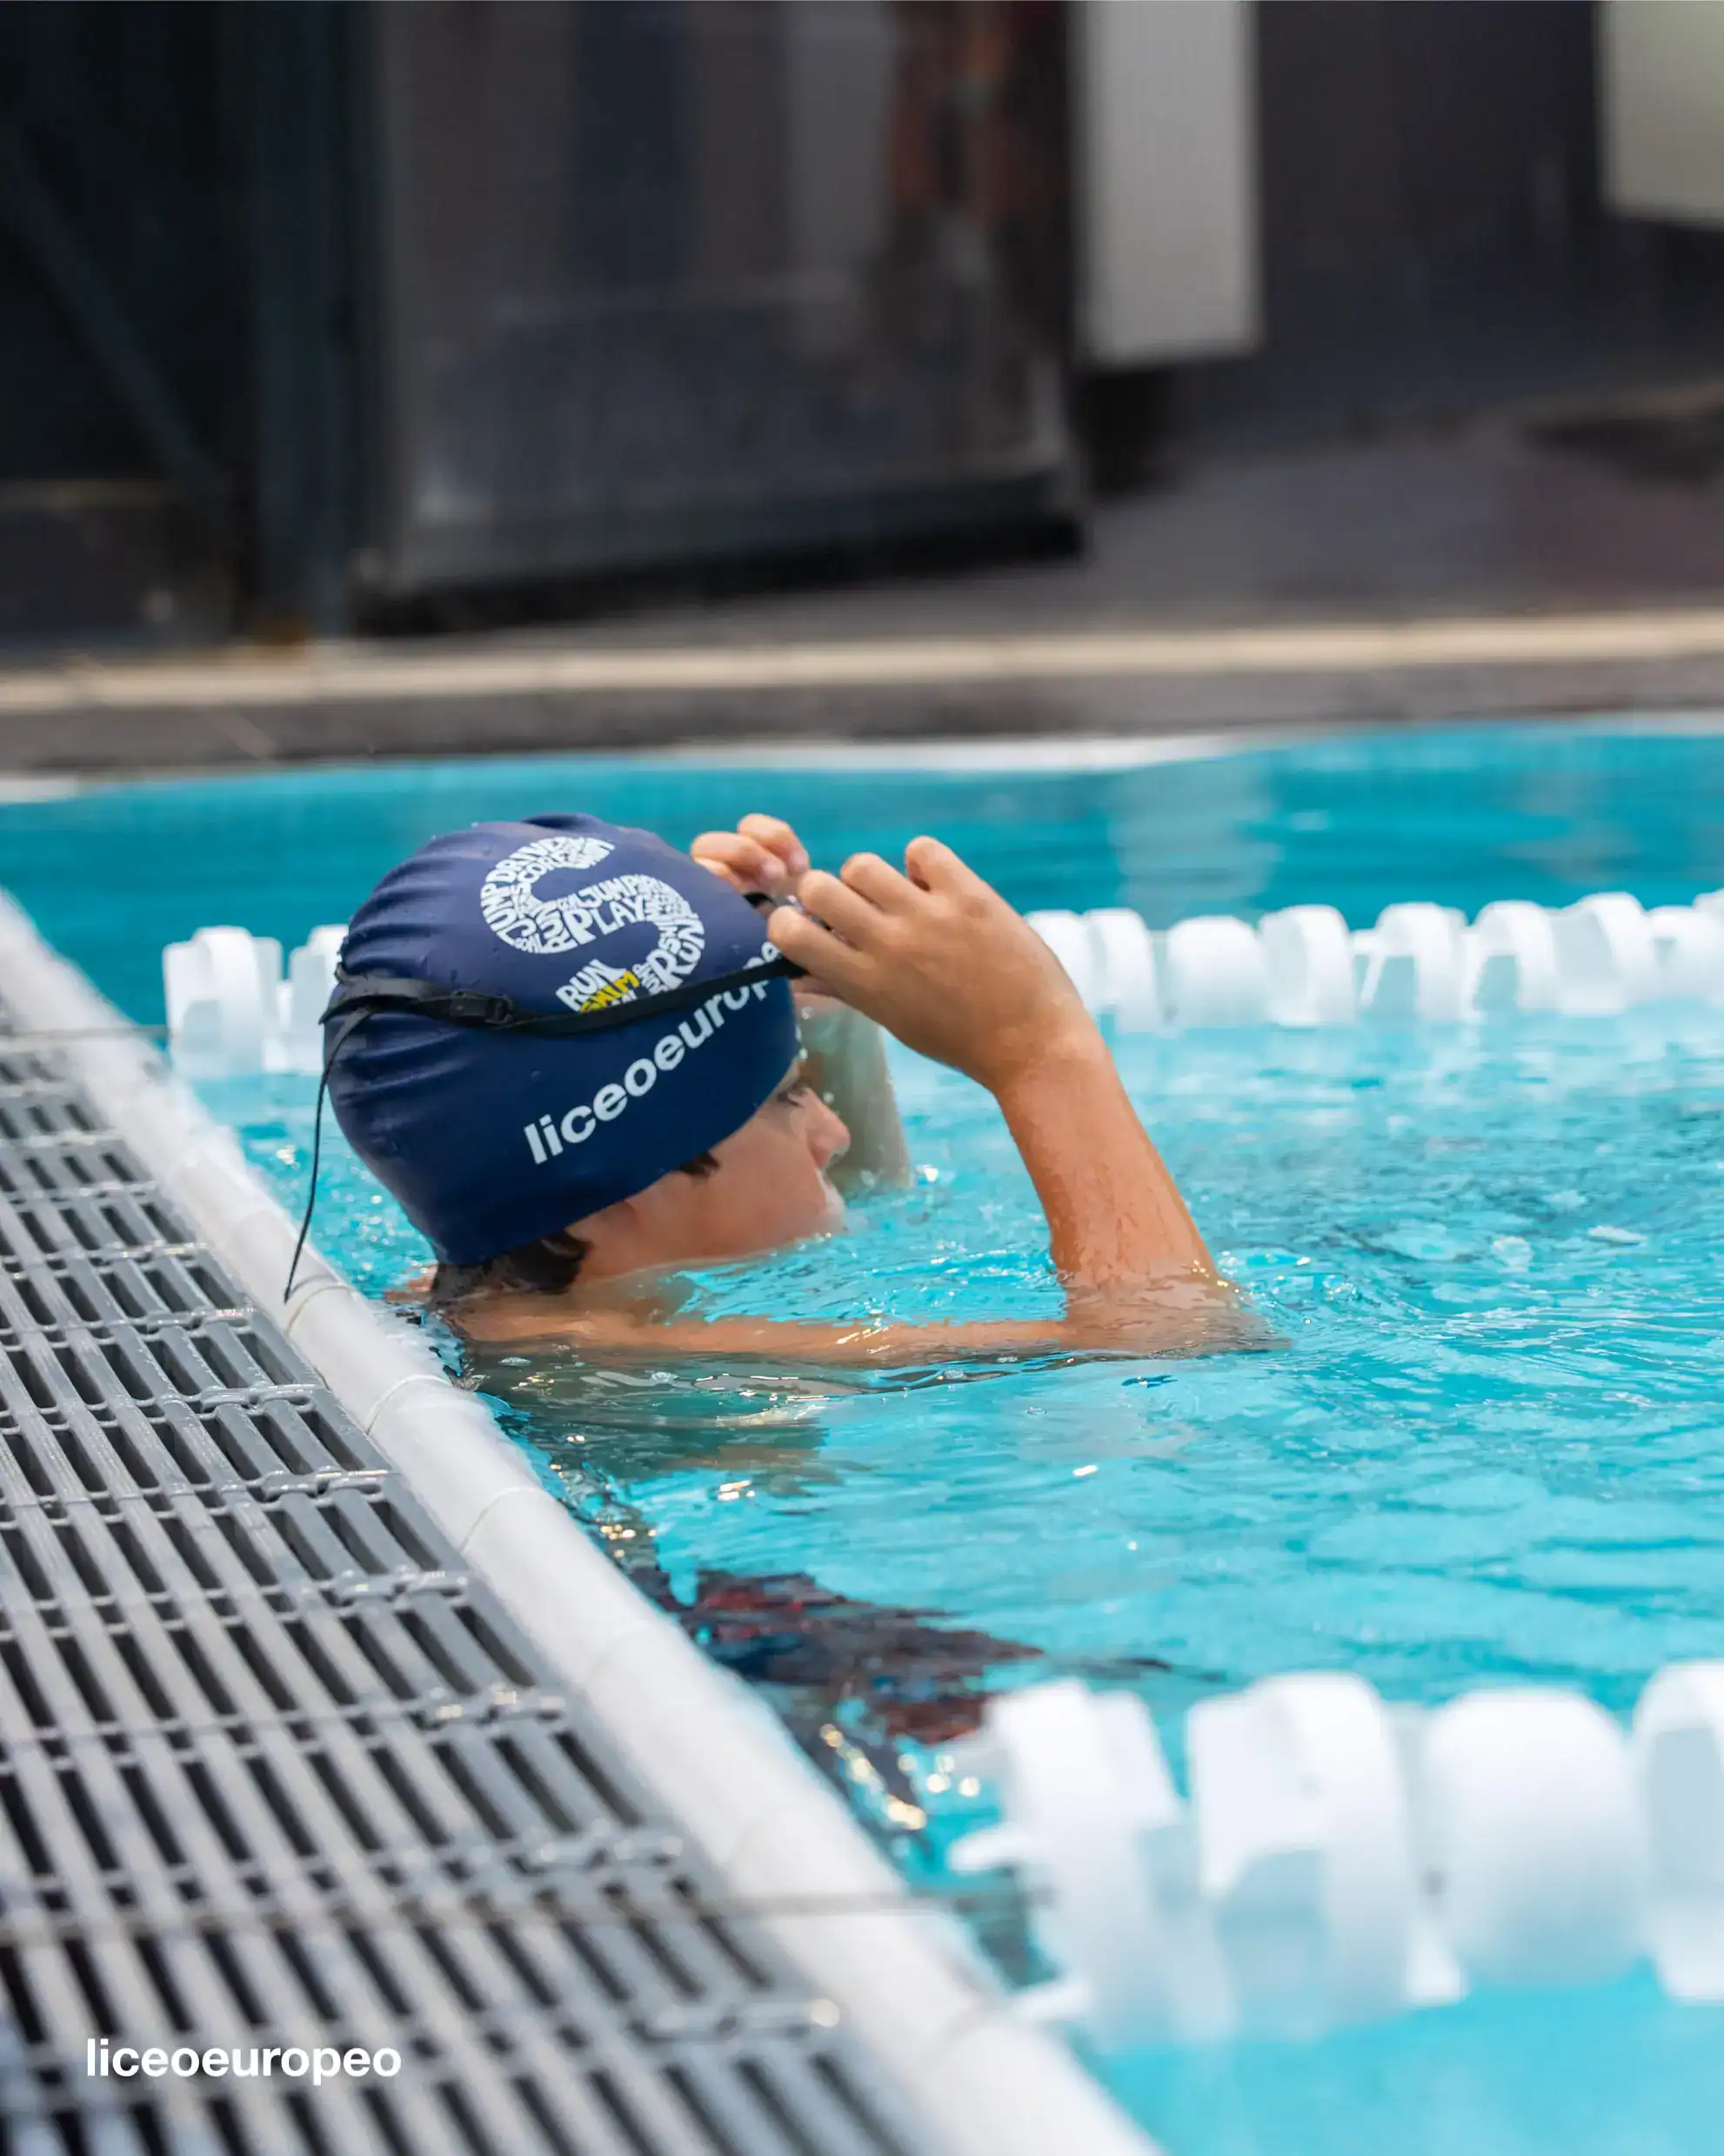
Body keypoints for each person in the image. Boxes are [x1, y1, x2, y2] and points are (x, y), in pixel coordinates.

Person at [324, 809, 1246, 1361]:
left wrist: (824, 1009)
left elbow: (867, 1203)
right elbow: (1170, 1343)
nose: (831, 1136)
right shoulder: (640, 1359)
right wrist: (1041, 1053)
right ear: (613, 1187)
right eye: (782, 1101)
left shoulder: (513, 1285)